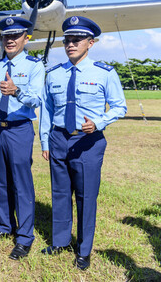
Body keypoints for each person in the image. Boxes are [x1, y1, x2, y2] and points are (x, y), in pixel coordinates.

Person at [39, 16, 127, 270]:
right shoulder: (54, 74)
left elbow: (120, 106)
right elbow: (47, 108)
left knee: (86, 196)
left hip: (87, 141)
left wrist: (99, 123)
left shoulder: (104, 73)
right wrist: (45, 141)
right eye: (67, 40)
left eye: (77, 40)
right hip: (58, 138)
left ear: (90, 43)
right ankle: (60, 241)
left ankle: (84, 249)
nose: (70, 44)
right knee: (60, 193)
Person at [0, 17, 45, 259]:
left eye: (15, 36)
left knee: (21, 184)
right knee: (1, 181)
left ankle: (25, 236)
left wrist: (17, 91)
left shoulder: (35, 66)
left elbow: (37, 99)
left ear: (25, 38)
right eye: (6, 36)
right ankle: (5, 227)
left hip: (19, 129)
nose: (10, 40)